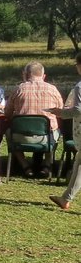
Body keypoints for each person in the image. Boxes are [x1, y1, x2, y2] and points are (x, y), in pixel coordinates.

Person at [4, 61, 64, 177]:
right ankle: (46, 165)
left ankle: (25, 166)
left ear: (25, 74)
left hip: (20, 137)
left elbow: (7, 113)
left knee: (8, 133)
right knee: (55, 130)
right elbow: (60, 111)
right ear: (43, 76)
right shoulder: (52, 89)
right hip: (46, 138)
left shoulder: (18, 89)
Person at [50, 53, 81, 209]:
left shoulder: (79, 87)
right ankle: (66, 198)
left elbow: (77, 110)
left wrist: (60, 112)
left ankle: (66, 198)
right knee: (79, 164)